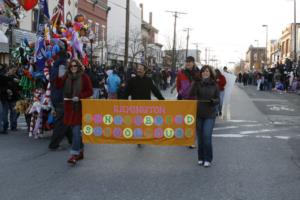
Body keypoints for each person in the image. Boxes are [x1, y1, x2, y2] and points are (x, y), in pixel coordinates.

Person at [55, 59, 93, 164]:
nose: (73, 68)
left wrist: (79, 96)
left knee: (76, 131)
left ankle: (74, 154)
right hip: (68, 108)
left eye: (75, 66)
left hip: (79, 108)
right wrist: (59, 75)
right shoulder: (66, 76)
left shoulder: (84, 77)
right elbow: (58, 86)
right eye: (71, 66)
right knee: (74, 132)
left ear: (79, 66)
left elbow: (90, 91)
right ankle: (80, 151)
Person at [124, 64, 164, 148]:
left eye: (141, 69)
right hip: (135, 107)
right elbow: (125, 93)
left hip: (146, 107)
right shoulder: (132, 80)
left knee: (145, 123)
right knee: (137, 123)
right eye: (138, 69)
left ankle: (144, 137)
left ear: (144, 71)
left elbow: (155, 91)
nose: (139, 70)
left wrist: (163, 100)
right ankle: (139, 139)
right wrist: (120, 102)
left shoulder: (149, 80)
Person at [189, 65, 220, 167]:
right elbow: (191, 94)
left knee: (206, 136)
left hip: (210, 114)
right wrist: (194, 82)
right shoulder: (198, 83)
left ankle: (208, 158)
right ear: (201, 73)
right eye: (203, 71)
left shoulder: (214, 84)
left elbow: (218, 99)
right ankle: (201, 158)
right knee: (200, 138)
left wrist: (213, 101)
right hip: (198, 113)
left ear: (210, 73)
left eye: (207, 71)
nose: (205, 73)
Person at [48, 55, 72, 150]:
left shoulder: (54, 68)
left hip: (56, 97)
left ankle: (73, 140)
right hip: (61, 98)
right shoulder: (62, 68)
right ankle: (54, 144)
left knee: (66, 120)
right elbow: (62, 83)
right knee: (62, 122)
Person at [176, 56, 199, 148]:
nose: (188, 63)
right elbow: (178, 85)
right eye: (186, 62)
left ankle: (191, 140)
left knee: (194, 121)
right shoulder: (181, 73)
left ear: (193, 63)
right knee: (186, 120)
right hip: (185, 100)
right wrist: (180, 92)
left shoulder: (198, 73)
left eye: (190, 62)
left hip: (195, 99)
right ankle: (188, 138)